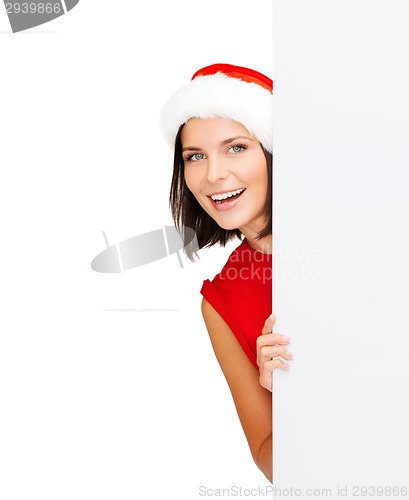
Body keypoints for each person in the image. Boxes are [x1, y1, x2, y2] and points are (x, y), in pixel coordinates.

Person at [160, 64, 293, 483]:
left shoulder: (362, 236)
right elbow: (271, 462)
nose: (213, 174)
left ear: (274, 150)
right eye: (195, 156)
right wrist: (293, 397)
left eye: (236, 147)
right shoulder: (221, 301)